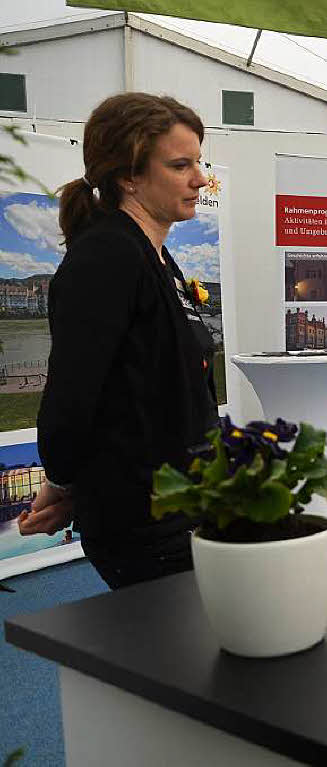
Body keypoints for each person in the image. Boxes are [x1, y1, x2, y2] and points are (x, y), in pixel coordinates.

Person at [17, 93, 219, 589]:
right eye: (180, 165)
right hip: (147, 520)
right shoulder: (108, 258)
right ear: (129, 175)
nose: (199, 179)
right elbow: (72, 399)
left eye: (199, 162)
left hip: (177, 505)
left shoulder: (152, 256)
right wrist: (66, 483)